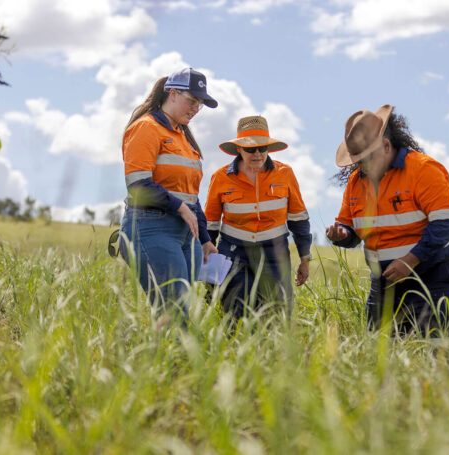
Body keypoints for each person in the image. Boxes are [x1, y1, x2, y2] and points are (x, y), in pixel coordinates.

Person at [325, 105, 449, 338]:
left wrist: (410, 261)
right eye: (357, 161)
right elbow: (351, 228)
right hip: (384, 285)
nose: (361, 166)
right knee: (380, 353)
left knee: (439, 352)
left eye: (367, 158)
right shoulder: (355, 182)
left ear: (386, 146)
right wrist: (342, 234)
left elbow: (447, 223)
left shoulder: (423, 169)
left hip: (436, 280)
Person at [119, 67, 220, 318]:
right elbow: (138, 185)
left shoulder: (183, 137)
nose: (195, 108)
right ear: (172, 93)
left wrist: (205, 239)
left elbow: (191, 197)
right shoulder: (146, 127)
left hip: (187, 234)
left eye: (200, 104)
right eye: (192, 100)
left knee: (180, 311)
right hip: (151, 227)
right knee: (174, 312)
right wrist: (179, 207)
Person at [204, 115, 312, 320]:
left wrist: (304, 259)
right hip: (234, 253)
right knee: (235, 314)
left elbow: (299, 220)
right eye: (251, 149)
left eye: (262, 148)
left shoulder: (285, 174)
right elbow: (210, 226)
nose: (258, 154)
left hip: (275, 253)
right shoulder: (220, 177)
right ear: (239, 149)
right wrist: (209, 268)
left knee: (277, 315)